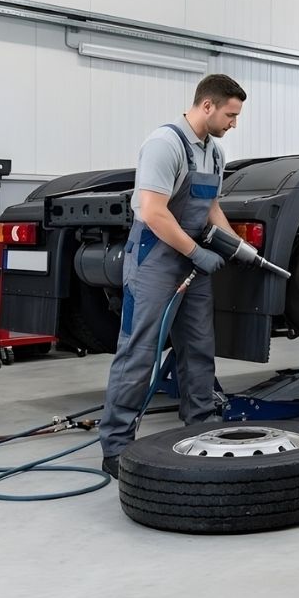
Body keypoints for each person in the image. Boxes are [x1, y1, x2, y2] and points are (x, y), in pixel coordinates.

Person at [99, 74, 247, 477]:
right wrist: (197, 252)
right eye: (231, 115)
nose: (234, 123)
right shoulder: (165, 144)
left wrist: (237, 246)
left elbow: (210, 205)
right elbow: (152, 211)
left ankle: (202, 430)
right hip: (155, 260)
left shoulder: (214, 152)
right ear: (207, 107)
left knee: (198, 348)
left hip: (191, 261)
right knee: (140, 351)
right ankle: (116, 446)